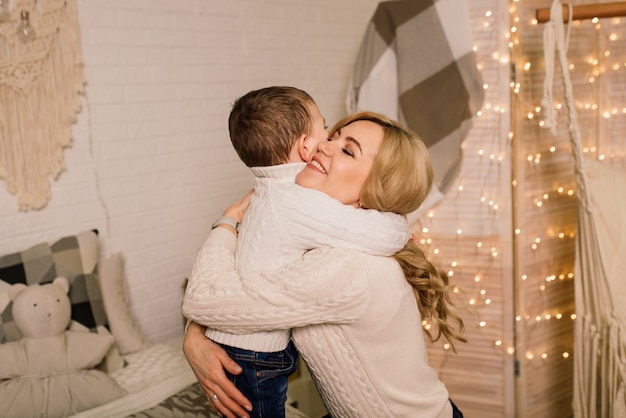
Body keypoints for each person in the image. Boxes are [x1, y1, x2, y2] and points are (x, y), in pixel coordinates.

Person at [183, 111, 466, 418]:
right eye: (332, 136)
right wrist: (195, 333)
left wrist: (229, 219)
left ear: (374, 189)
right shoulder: (326, 238)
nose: (323, 146)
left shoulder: (349, 268)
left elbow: (206, 298)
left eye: (348, 150)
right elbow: (239, 287)